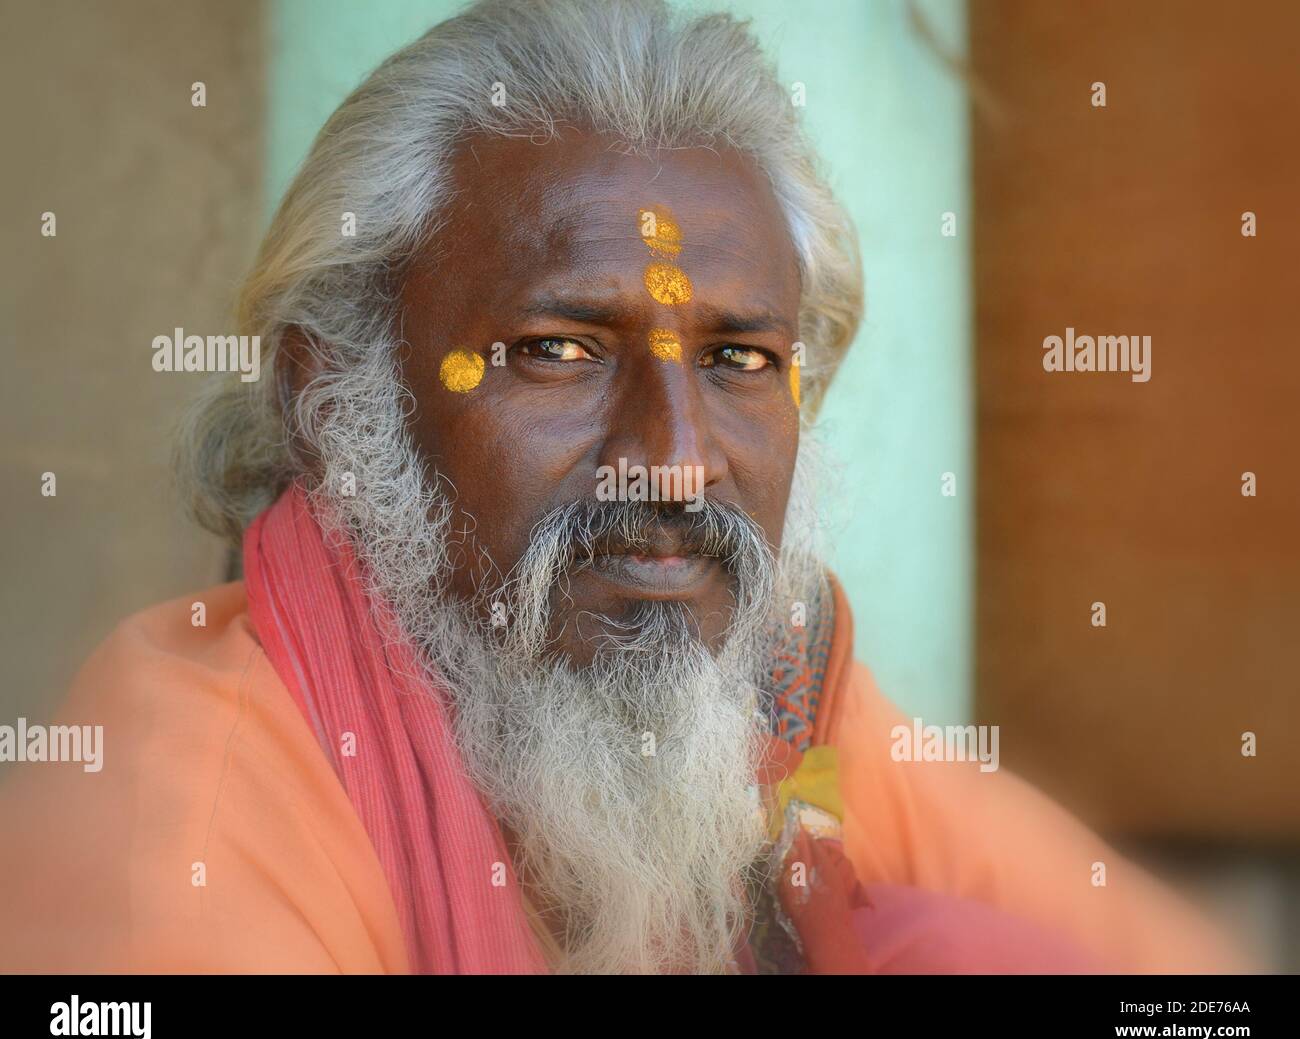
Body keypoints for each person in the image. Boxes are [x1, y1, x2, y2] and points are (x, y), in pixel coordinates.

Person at [0, 0, 1244, 975]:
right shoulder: (191, 824)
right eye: (559, 350)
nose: (676, 459)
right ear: (333, 400)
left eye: (739, 360)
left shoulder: (778, 705)